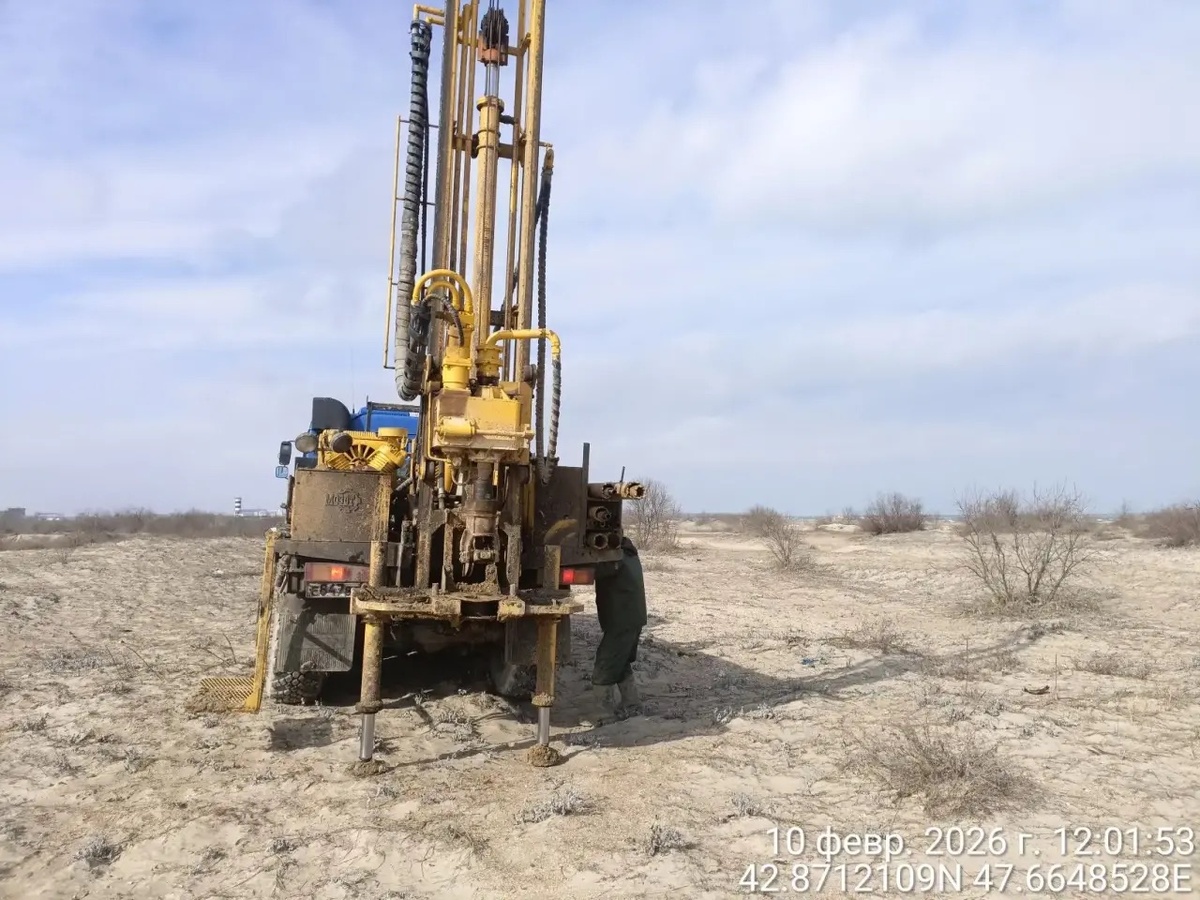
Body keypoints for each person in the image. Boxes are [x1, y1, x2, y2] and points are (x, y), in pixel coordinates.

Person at [591, 535, 647, 717]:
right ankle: (632, 704)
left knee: (605, 664)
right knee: (620, 661)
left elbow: (595, 571)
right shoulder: (630, 556)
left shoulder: (617, 559)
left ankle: (603, 714)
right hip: (631, 619)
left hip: (621, 620)